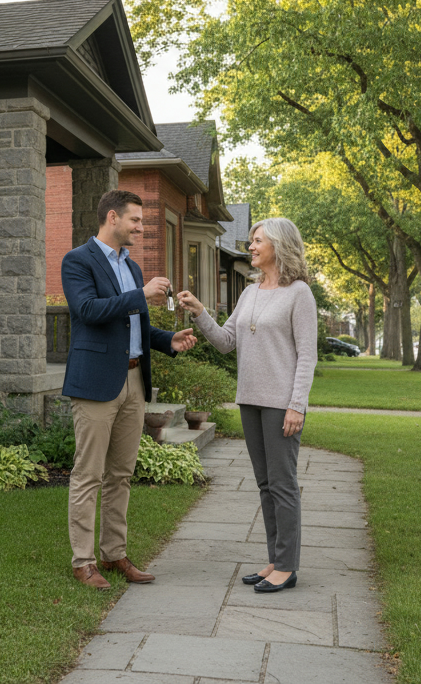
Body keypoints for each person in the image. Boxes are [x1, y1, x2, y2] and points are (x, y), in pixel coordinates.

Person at [61, 190, 198, 590]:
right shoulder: (78, 261)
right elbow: (87, 311)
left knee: (120, 474)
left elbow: (131, 326)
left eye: (142, 221)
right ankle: (83, 562)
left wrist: (166, 340)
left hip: (134, 380)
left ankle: (114, 553)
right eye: (136, 220)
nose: (142, 227)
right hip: (95, 382)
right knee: (88, 474)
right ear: (111, 218)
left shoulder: (133, 268)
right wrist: (140, 296)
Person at [176, 217, 317, 593]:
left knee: (283, 485)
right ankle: (275, 559)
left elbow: (307, 356)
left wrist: (297, 405)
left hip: (280, 403)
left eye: (258, 241)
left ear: (279, 245)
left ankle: (287, 566)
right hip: (249, 401)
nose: (251, 247)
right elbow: (226, 341)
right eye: (251, 241)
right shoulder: (249, 293)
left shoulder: (299, 293)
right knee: (265, 484)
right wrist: (199, 311)